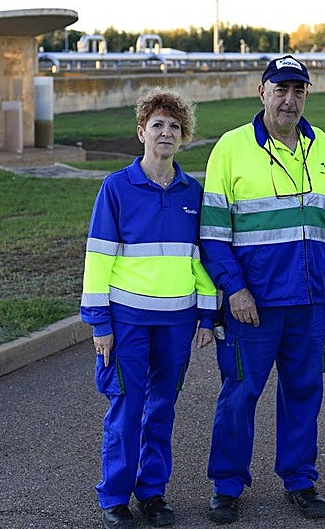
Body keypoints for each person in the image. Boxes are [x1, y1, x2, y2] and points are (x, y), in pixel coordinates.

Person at [199, 55, 325, 523]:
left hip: (306, 303)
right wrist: (235, 291)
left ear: (306, 95)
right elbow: (214, 234)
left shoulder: (323, 146)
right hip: (251, 306)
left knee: (304, 392)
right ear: (262, 92)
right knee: (239, 394)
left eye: (299, 89)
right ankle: (227, 485)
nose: (289, 98)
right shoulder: (232, 148)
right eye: (280, 88)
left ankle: (300, 480)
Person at [80, 86, 217, 529]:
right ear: (141, 132)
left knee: (162, 409)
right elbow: (98, 260)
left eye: (174, 126)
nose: (166, 132)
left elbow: (201, 260)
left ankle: (153, 493)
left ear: (183, 137)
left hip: (176, 324)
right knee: (126, 406)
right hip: (127, 322)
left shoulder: (192, 193)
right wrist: (100, 322)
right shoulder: (116, 189)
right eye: (157, 124)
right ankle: (115, 496)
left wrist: (206, 314)